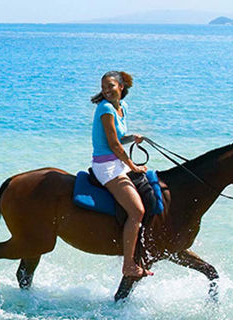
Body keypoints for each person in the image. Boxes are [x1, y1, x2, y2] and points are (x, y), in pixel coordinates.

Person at [89, 71, 154, 278]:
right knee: (137, 211)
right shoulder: (105, 108)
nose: (107, 90)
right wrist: (132, 165)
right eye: (104, 87)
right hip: (106, 167)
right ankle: (128, 265)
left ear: (121, 87)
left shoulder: (122, 107)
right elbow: (113, 144)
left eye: (111, 86)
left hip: (117, 163)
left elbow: (119, 138)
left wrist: (132, 137)